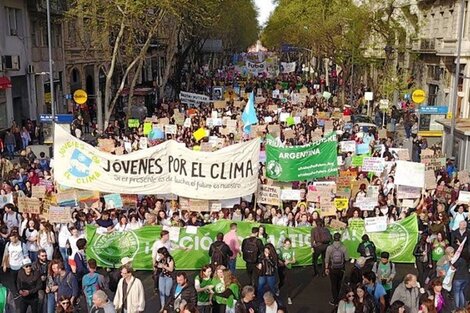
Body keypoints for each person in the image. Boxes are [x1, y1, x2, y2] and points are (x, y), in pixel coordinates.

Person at [325, 232, 348, 306]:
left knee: (333, 285)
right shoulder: (344, 247)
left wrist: (326, 268)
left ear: (333, 238)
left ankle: (335, 300)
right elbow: (347, 258)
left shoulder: (329, 247)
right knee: (339, 283)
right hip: (341, 268)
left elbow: (327, 259)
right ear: (340, 238)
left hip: (333, 268)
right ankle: (338, 297)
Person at [277, 238, 296, 304]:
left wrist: (289, 261)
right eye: (286, 244)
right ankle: (278, 289)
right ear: (284, 244)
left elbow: (294, 260)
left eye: (289, 244)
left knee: (289, 283)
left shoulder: (292, 250)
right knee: (281, 281)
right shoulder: (280, 250)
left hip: (289, 268)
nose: (287, 245)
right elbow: (278, 259)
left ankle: (289, 297)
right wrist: (282, 262)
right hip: (281, 268)